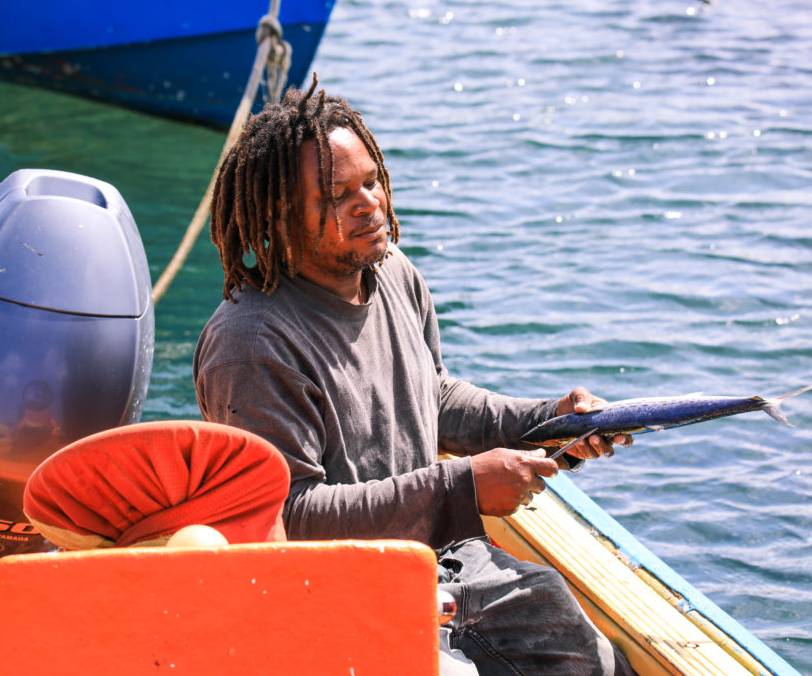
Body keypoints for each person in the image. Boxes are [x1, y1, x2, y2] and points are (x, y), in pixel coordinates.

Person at [194, 78, 636, 675]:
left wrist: (552, 423)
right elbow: (290, 518)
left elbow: (433, 396)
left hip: (444, 562)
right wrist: (462, 490)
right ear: (277, 215)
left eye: (371, 182)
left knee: (592, 654)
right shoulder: (251, 345)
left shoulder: (391, 272)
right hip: (338, 596)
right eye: (336, 195)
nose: (368, 204)